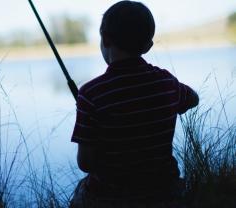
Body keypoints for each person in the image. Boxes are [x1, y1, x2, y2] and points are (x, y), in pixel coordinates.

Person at [70, 1, 199, 207]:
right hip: (165, 192)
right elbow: (193, 99)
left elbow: (85, 164)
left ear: (104, 38)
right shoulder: (167, 82)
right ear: (148, 46)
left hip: (111, 199)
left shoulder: (90, 94)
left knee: (81, 191)